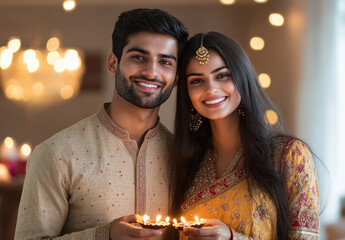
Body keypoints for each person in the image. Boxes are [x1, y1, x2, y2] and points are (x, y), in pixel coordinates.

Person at [15, 8, 188, 240]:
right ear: (113, 63)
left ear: (176, 78)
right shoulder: (56, 154)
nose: (151, 71)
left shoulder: (184, 156)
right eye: (139, 57)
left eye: (165, 62)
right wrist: (104, 235)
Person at [167, 32, 320, 240]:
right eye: (196, 81)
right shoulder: (186, 160)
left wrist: (232, 238)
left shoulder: (288, 155)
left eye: (222, 75)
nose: (211, 89)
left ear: (242, 78)